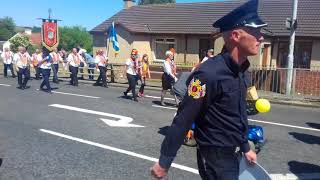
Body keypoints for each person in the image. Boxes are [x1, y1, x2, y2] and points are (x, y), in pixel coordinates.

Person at [151, 0, 267, 179]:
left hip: (233, 149)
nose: (261, 37)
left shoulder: (243, 71)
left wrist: (245, 147)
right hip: (214, 153)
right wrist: (164, 162)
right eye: (255, 32)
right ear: (236, 36)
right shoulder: (208, 74)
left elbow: (238, 115)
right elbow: (184, 118)